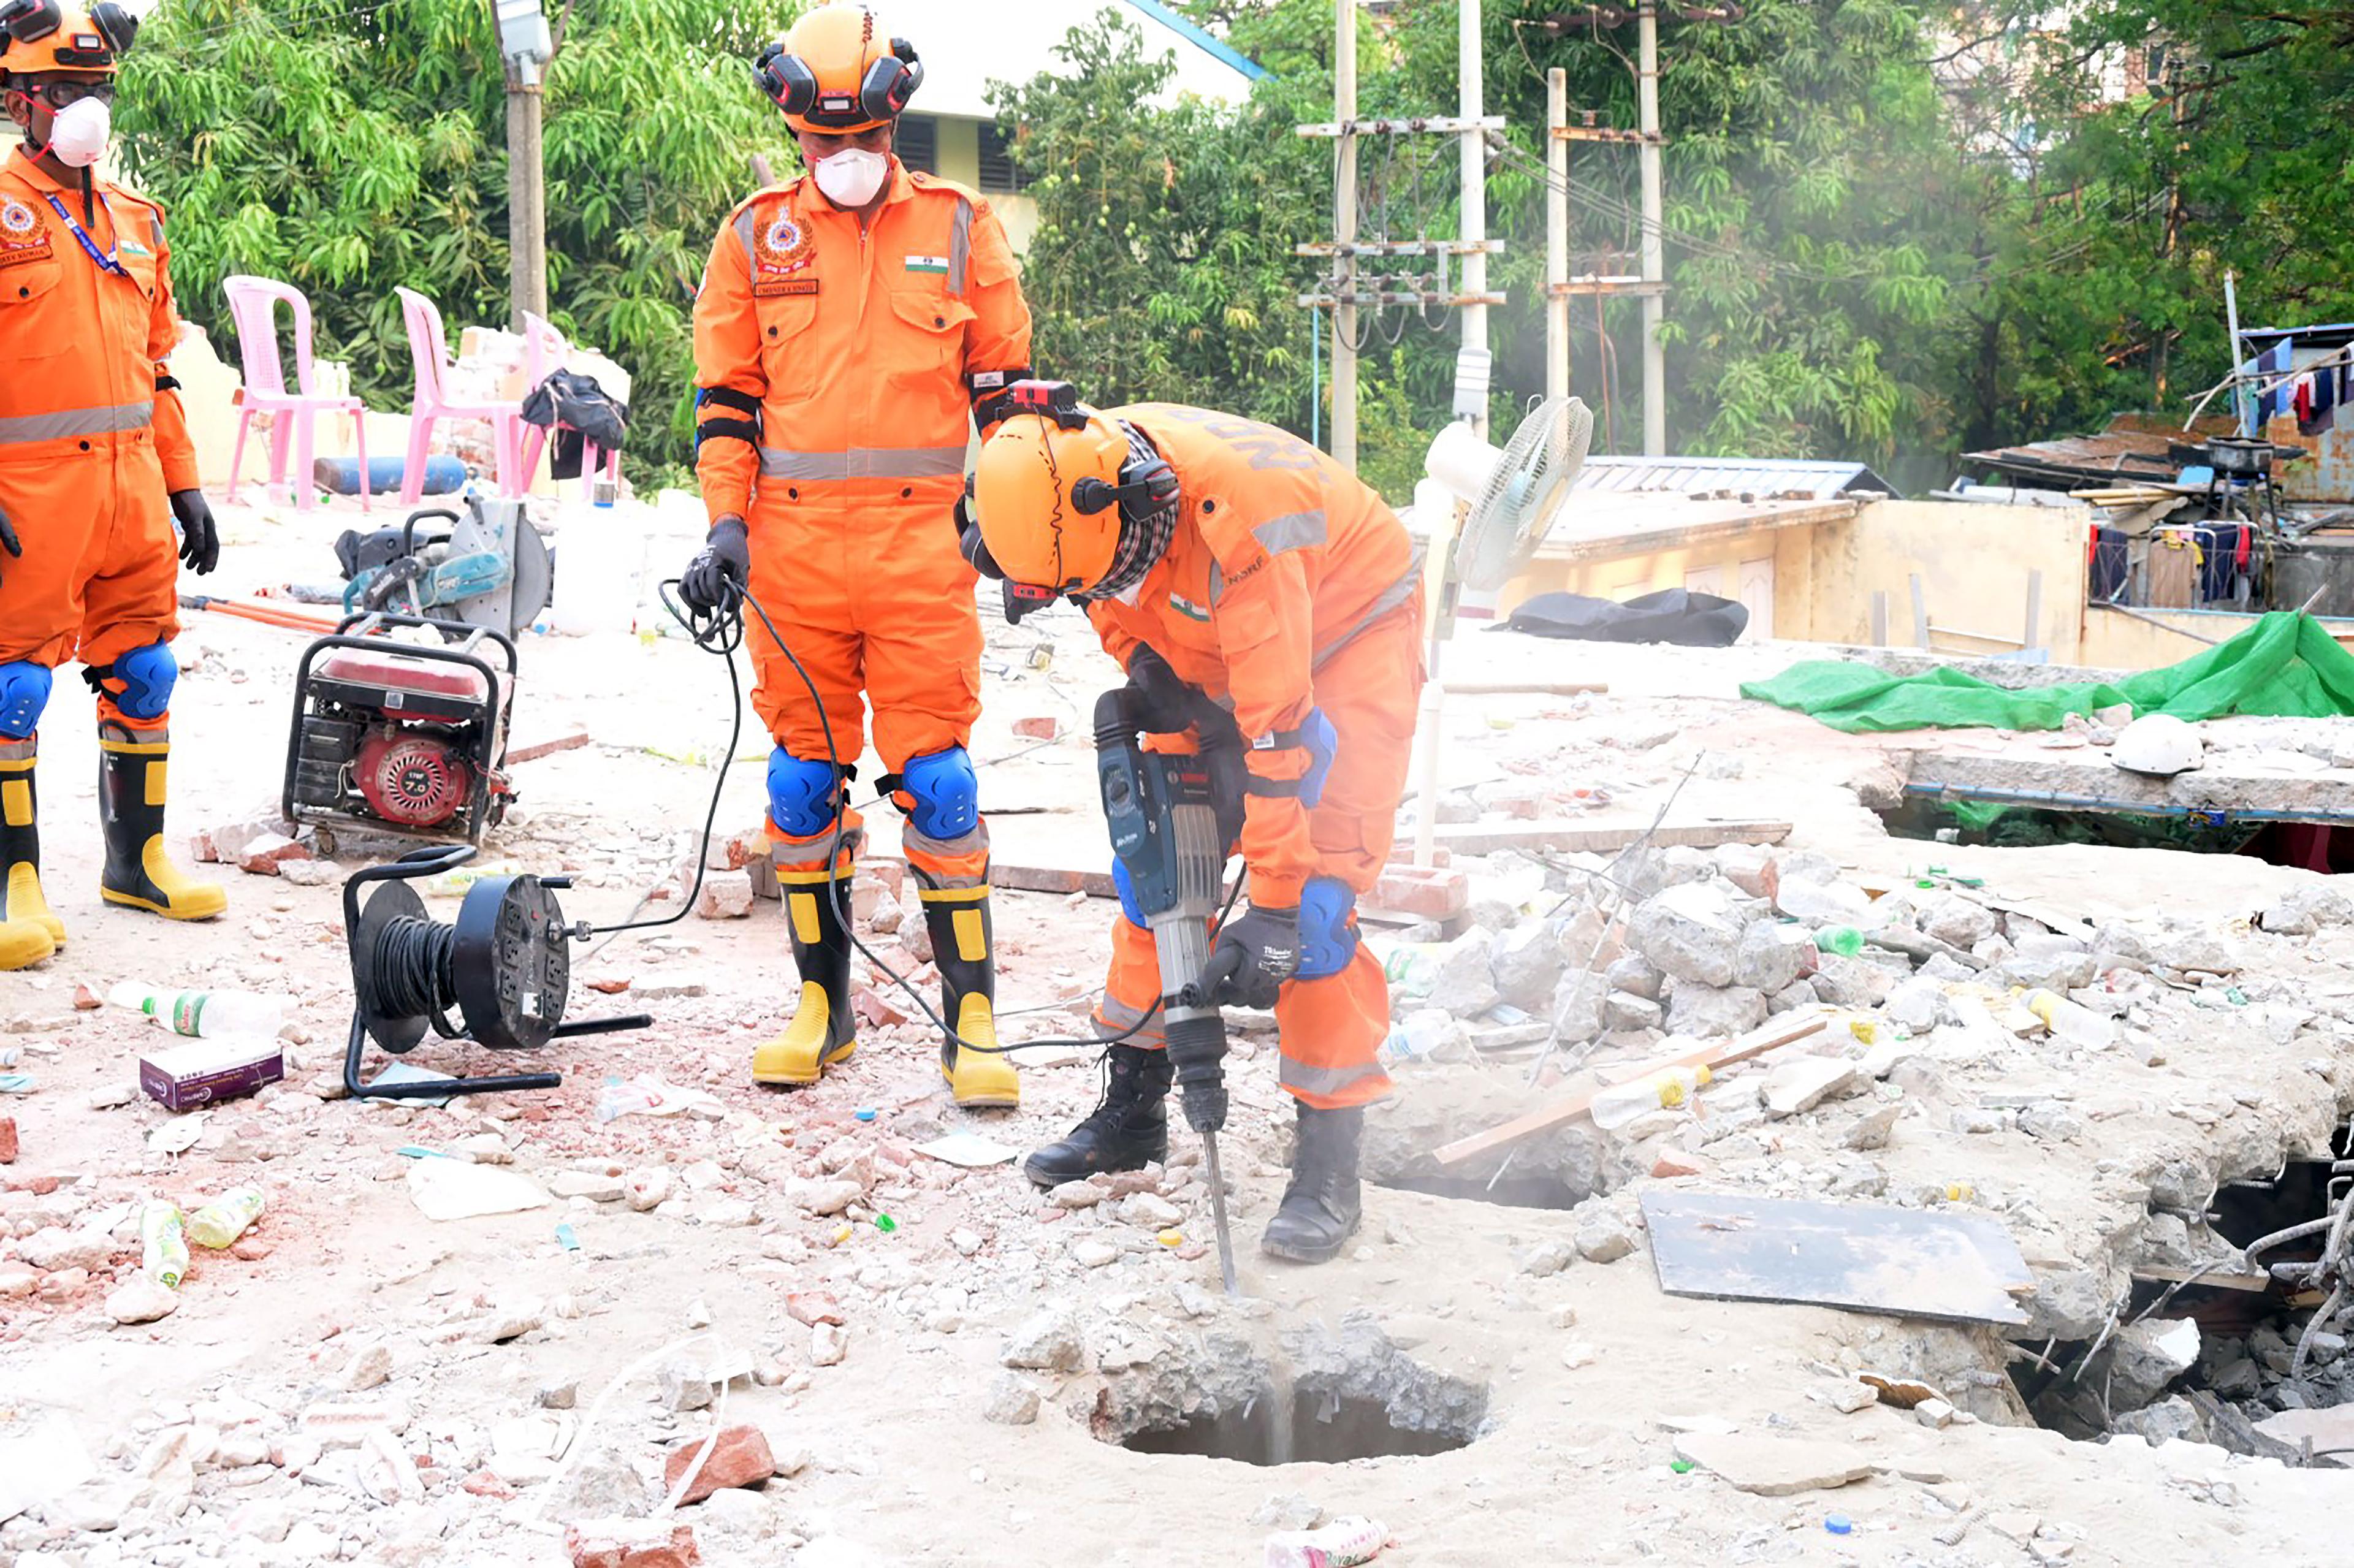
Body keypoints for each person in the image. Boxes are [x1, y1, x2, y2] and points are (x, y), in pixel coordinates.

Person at [963, 382, 1425, 1263]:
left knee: (1318, 905)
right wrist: (1148, 669)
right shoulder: (1070, 493)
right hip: (1212, 632)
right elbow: (1104, 594)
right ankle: (1134, 1109)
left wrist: (1275, 913)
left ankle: (1330, 1165)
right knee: (1163, 868)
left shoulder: (1242, 532)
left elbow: (1281, 742)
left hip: (1347, 631)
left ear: (1131, 509)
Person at [679, 1, 1034, 1108]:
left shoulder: (964, 228)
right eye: (825, 142)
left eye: (865, 139)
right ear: (796, 132)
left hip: (924, 547)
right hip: (792, 556)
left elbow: (1008, 401)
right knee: (800, 782)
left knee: (941, 783)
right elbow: (727, 401)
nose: (847, 158)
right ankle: (821, 1009)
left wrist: (1016, 526)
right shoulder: (753, 239)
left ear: (894, 125)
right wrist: (725, 525)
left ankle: (971, 1021)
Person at [0, 0, 223, 975]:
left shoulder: (137, 218)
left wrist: (185, 483)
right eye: (62, 89)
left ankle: (137, 863)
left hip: (131, 493)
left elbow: (156, 368)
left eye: (96, 88)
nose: (84, 107)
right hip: (30, 499)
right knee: (12, 687)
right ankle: (14, 885)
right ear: (19, 101)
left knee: (147, 669)